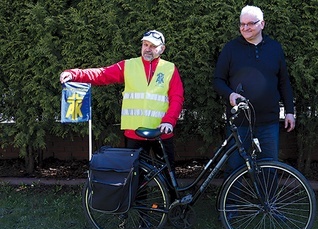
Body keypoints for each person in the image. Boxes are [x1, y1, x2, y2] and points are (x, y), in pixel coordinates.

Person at [60, 30, 184, 172]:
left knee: (169, 175)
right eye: (145, 44)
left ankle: (172, 195)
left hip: (161, 131)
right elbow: (102, 74)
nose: (147, 49)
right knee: (135, 178)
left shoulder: (169, 69)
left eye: (152, 46)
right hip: (135, 133)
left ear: (162, 49)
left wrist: (169, 121)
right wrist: (74, 74)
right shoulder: (129, 65)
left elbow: (177, 97)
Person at [213, 5, 295, 178]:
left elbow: (284, 82)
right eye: (242, 24)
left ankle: (269, 205)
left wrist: (289, 112)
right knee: (234, 168)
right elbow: (218, 80)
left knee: (270, 169)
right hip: (239, 122)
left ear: (262, 24)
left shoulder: (275, 48)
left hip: (269, 121)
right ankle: (232, 205)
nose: (245, 28)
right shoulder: (230, 49)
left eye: (250, 23)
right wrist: (230, 94)